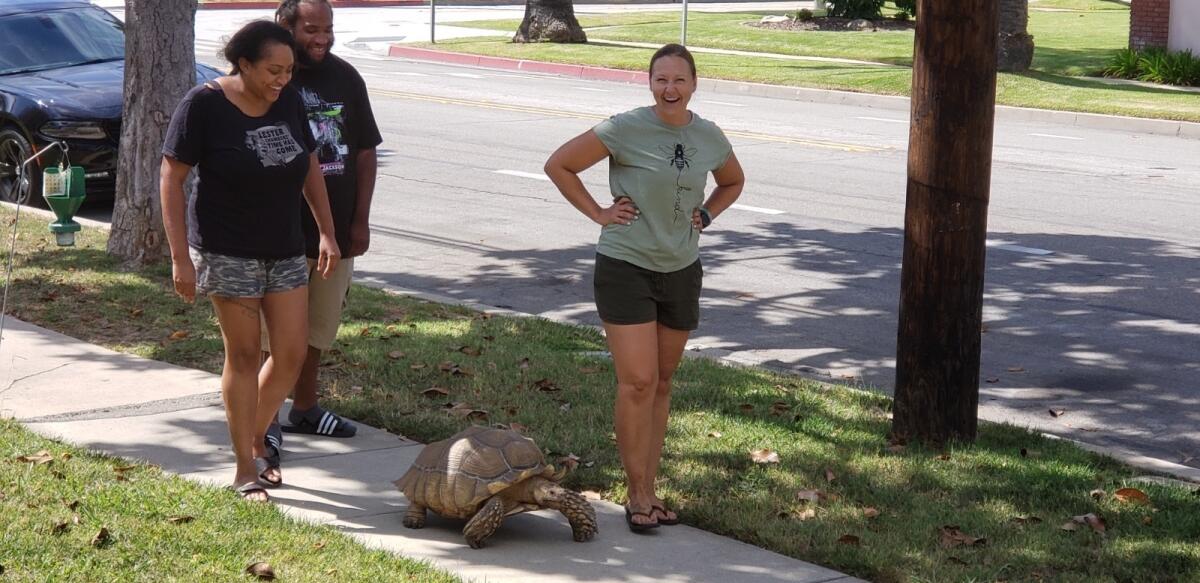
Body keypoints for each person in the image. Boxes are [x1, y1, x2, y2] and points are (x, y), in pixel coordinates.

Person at [544, 44, 745, 532]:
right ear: (649, 83)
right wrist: (599, 213)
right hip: (626, 265)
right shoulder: (625, 127)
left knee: (661, 383)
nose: (670, 89)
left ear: (694, 84)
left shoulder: (708, 136)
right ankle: (638, 494)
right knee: (636, 382)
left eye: (679, 80)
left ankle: (650, 487)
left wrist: (708, 213)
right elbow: (559, 165)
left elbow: (733, 181)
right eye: (661, 80)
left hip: (681, 270)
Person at [161, 20, 340, 502]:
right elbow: (171, 176)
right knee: (242, 356)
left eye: (288, 70)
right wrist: (181, 258)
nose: (282, 80)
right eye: (272, 70)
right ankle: (245, 467)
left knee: (291, 353)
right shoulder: (204, 105)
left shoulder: (289, 101)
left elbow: (307, 165)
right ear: (243, 63)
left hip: (283, 246)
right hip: (226, 249)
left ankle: (256, 435)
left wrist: (325, 230)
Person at [259, 0, 381, 446]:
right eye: (312, 29)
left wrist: (360, 221)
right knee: (270, 334)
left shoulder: (344, 76)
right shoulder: (270, 77)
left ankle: (305, 409)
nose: (322, 39)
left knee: (317, 330)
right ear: (285, 25)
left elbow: (365, 151)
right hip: (279, 232)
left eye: (328, 29)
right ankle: (264, 420)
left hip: (336, 232)